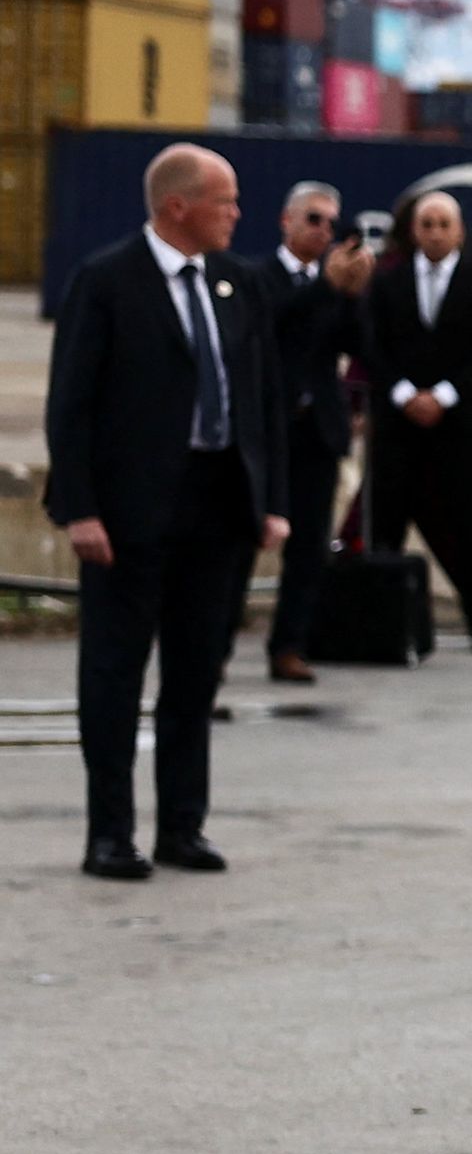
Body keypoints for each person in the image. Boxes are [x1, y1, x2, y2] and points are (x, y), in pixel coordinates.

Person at [43, 144, 291, 880]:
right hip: (128, 517)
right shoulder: (106, 281)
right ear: (177, 206)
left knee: (195, 675)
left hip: (217, 511)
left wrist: (271, 501)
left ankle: (182, 827)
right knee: (114, 678)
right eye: (225, 200)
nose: (237, 213)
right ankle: (110, 835)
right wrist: (81, 509)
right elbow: (70, 405)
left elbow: (262, 401)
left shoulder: (236, 282)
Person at [360, 190, 472, 650]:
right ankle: (380, 621)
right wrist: (405, 394)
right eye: (427, 224)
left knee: (469, 521)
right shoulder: (387, 283)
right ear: (414, 231)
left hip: (459, 423)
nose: (436, 233)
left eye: (444, 225)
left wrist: (442, 396)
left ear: (459, 231)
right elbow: (372, 345)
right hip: (397, 423)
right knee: (387, 518)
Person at [239, 180, 372, 682]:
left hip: (317, 430)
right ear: (286, 221)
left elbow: (360, 347)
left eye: (330, 223)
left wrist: (352, 296)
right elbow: (271, 328)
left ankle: (289, 645)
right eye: (313, 219)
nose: (323, 231)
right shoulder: (258, 277)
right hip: (268, 431)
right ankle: (215, 644)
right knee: (242, 541)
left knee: (310, 548)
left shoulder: (334, 285)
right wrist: (325, 288)